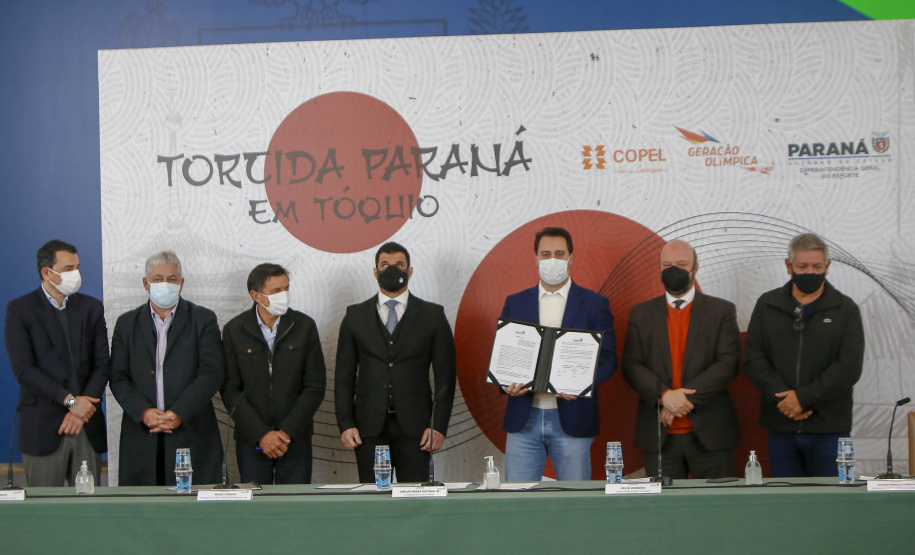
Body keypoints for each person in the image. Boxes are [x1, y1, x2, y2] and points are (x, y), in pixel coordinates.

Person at [500, 227, 617, 481]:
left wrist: (582, 384)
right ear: (536, 258)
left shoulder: (595, 303)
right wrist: (506, 383)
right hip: (524, 416)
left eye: (559, 253)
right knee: (517, 503)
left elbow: (608, 358)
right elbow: (504, 355)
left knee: (575, 504)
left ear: (570, 257)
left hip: (573, 418)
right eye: (546, 254)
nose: (552, 260)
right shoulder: (515, 302)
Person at [744, 233, 865, 477]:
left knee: (832, 505)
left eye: (816, 266)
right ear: (789, 266)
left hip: (830, 430)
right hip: (781, 427)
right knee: (787, 508)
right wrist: (786, 400)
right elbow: (753, 359)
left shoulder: (845, 309)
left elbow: (849, 367)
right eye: (802, 266)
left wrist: (804, 398)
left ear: (827, 267)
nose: (810, 272)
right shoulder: (768, 304)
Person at [335, 242, 456, 483]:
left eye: (399, 265)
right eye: (385, 265)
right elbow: (344, 376)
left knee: (415, 500)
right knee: (372, 502)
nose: (392, 269)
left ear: (409, 271)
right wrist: (346, 423)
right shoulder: (354, 316)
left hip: (417, 428)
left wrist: (438, 425)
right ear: (375, 271)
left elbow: (446, 376)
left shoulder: (433, 315)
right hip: (368, 428)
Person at [621, 239, 742, 479]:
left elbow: (728, 363)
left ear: (695, 268)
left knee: (716, 511)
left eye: (681, 264)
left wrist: (681, 401)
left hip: (710, 435)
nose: (673, 269)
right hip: (659, 436)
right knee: (662, 514)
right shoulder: (640, 314)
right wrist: (664, 396)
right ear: (658, 269)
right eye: (667, 264)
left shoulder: (721, 311)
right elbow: (632, 365)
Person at [110, 251, 224, 486]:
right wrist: (144, 412)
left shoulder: (203, 319)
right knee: (143, 514)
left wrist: (179, 412)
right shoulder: (126, 324)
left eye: (172, 279)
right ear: (146, 283)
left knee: (193, 513)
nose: (165, 284)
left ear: (181, 283)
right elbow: (118, 378)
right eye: (158, 278)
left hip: (191, 430)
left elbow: (212, 372)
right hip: (141, 435)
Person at [4, 240, 109, 486]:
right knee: (45, 513)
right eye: (68, 268)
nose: (76, 274)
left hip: (86, 423)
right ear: (46, 272)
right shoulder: (21, 309)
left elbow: (103, 363)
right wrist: (71, 401)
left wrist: (81, 410)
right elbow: (24, 369)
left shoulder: (91, 307)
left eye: (77, 267)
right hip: (42, 426)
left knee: (88, 512)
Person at [221, 263, 326, 484]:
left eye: (286, 289)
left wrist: (286, 432)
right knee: (257, 511)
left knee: (295, 508)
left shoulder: (304, 326)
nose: (284, 296)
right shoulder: (234, 330)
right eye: (276, 291)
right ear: (255, 295)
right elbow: (230, 389)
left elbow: (314, 386)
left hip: (295, 438)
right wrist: (262, 434)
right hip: (252, 440)